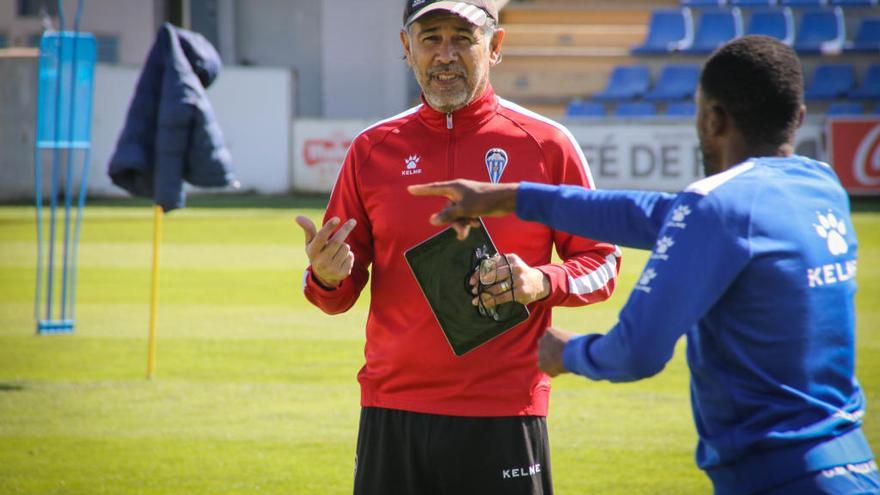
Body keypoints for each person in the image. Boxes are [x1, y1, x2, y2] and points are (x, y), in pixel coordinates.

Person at [409, 35, 879, 494]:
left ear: (713, 118)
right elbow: (643, 214)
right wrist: (511, 196)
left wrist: (565, 353)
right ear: (797, 118)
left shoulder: (714, 207)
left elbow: (637, 352)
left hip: (775, 474)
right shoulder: (822, 186)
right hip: (851, 461)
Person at [294, 1, 620, 494]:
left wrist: (540, 281)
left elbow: (603, 261)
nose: (445, 54)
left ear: (495, 46)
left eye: (462, 38)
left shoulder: (547, 144)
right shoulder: (371, 149)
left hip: (503, 413)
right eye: (430, 38)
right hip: (392, 410)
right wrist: (326, 276)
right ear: (407, 48)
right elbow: (333, 293)